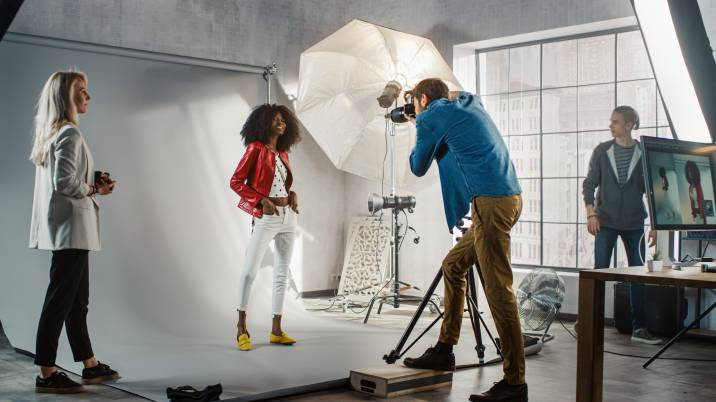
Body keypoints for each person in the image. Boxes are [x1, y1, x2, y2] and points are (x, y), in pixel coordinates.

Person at [403, 78, 527, 402]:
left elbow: (418, 166)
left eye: (416, 102)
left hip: (490, 201)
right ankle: (445, 349)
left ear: (423, 99)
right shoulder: (470, 102)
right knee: (453, 266)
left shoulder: (430, 115)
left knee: (499, 289)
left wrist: (417, 124)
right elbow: (458, 101)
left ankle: (515, 383)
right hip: (509, 198)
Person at [29, 70, 119, 394]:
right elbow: (64, 183)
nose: (88, 96)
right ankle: (46, 372)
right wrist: (95, 188)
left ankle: (89, 364)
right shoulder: (70, 134)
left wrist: (92, 180)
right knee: (59, 302)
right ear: (67, 97)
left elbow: (64, 177)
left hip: (69, 230)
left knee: (76, 302)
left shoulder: (55, 133)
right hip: (72, 230)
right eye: (82, 91)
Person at [582, 105, 662, 345]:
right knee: (600, 274)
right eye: (611, 121)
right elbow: (589, 185)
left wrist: (655, 225)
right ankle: (589, 323)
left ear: (629, 124)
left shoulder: (642, 152)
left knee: (638, 274)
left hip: (634, 223)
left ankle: (640, 329)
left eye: (615, 122)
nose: (611, 125)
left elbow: (653, 190)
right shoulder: (602, 150)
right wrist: (591, 214)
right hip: (604, 222)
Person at [230, 104, 301, 351]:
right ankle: (241, 328)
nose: (281, 123)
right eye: (276, 120)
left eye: (283, 120)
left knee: (282, 272)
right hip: (267, 217)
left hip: (288, 217)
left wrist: (292, 194)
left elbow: (280, 184)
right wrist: (261, 201)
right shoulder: (255, 149)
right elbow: (236, 182)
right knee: (249, 271)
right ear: (264, 123)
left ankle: (276, 330)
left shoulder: (283, 153)